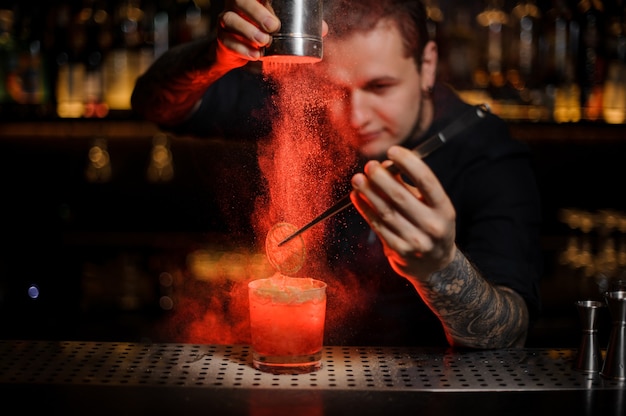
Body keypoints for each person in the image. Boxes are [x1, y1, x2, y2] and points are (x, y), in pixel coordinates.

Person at [131, 0, 542, 349]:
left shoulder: (487, 155)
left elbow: (512, 333)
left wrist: (441, 268)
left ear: (428, 64)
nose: (357, 116)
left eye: (380, 87)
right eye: (335, 91)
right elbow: (156, 104)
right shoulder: (304, 107)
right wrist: (216, 55)